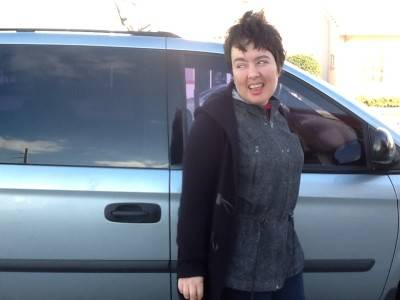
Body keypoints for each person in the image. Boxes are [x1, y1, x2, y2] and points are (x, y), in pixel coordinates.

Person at [177, 10, 306, 300]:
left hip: (287, 265)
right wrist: (190, 265)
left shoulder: (281, 115)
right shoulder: (214, 121)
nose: (252, 74)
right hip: (241, 275)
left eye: (262, 61)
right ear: (232, 71)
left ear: (279, 66)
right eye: (241, 64)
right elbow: (194, 198)